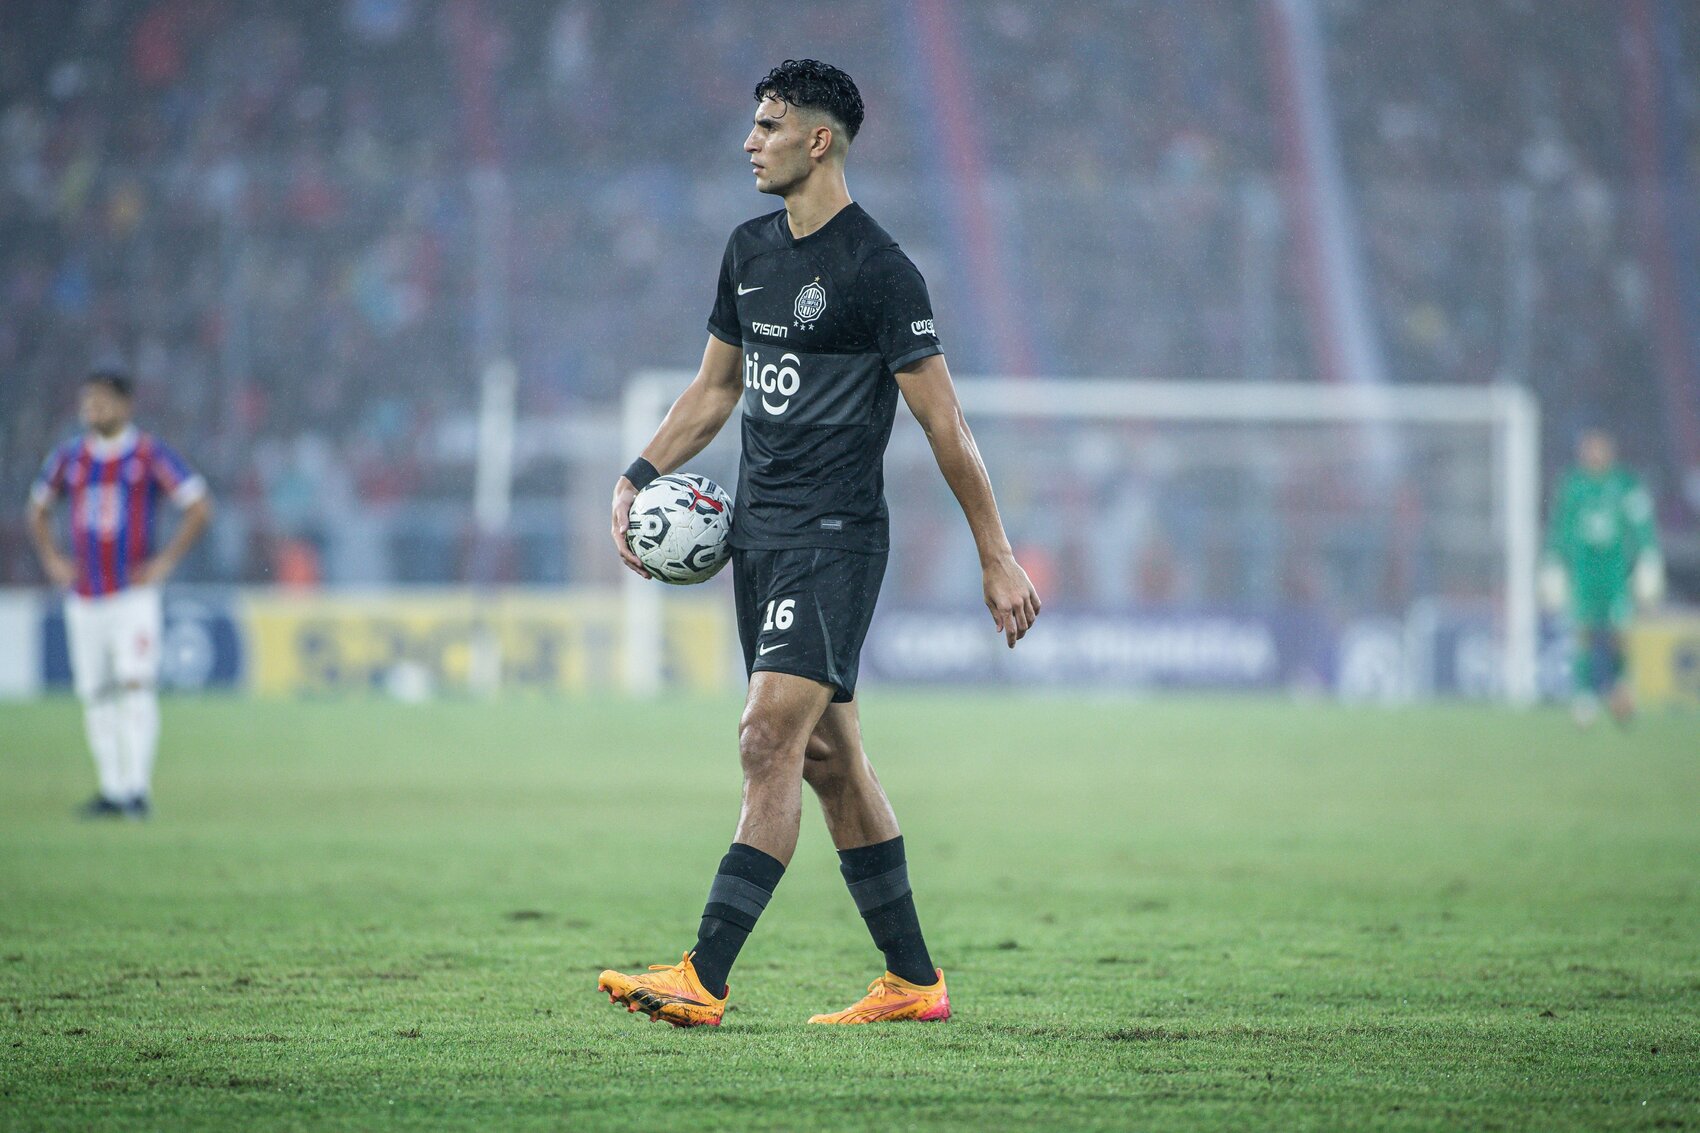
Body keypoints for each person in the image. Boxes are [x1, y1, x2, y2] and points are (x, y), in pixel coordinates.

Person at [597, 60, 1040, 1027]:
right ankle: (913, 981)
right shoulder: (749, 250)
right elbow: (716, 390)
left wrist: (995, 552)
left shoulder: (880, 271)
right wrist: (635, 474)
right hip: (757, 539)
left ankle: (704, 975)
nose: (750, 142)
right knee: (831, 759)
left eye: (768, 126)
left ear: (818, 139)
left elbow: (945, 423)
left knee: (765, 738)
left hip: (835, 541)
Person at [26, 370, 212, 818]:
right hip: (85, 596)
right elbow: (38, 509)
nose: (93, 409)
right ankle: (111, 789)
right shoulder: (69, 457)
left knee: (135, 683)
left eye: (103, 401)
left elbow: (198, 504)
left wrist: (165, 561)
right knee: (96, 693)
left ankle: (137, 790)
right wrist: (52, 558)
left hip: (132, 595)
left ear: (126, 405)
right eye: (88, 401)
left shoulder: (148, 454)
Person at [1539, 428, 1663, 725]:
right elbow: (1559, 527)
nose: (1593, 455)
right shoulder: (1573, 485)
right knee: (1583, 632)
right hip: (1583, 573)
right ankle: (1584, 697)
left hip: (1615, 573)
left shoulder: (1625, 484)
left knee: (1620, 633)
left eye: (1599, 449)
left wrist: (1648, 558)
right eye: (1589, 449)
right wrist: (1552, 561)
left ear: (1610, 451)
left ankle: (1621, 688)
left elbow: (1641, 525)